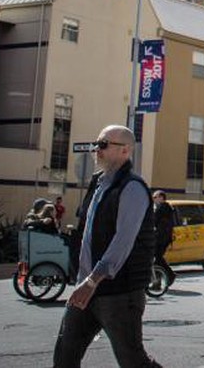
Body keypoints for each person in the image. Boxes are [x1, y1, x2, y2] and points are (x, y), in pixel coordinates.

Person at [52, 125, 161, 368]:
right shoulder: (99, 184)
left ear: (125, 150)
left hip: (119, 293)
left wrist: (91, 281)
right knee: (64, 357)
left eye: (103, 145)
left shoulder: (133, 188)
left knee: (133, 361)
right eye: (96, 143)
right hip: (87, 289)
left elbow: (122, 242)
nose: (96, 149)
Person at [151, 190, 176, 288]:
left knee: (157, 258)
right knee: (157, 259)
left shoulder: (163, 207)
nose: (154, 199)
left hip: (161, 238)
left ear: (161, 198)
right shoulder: (164, 208)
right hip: (162, 238)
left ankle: (168, 276)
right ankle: (158, 281)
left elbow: (154, 220)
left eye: (155, 197)